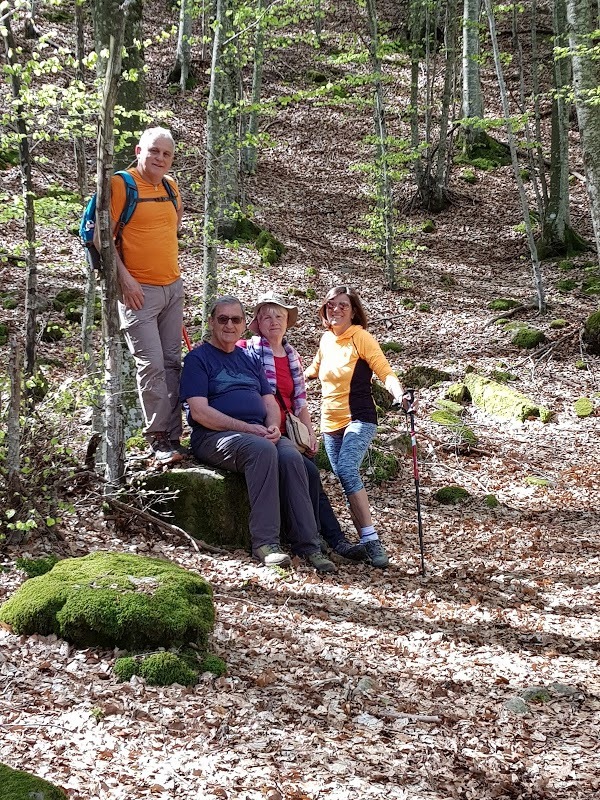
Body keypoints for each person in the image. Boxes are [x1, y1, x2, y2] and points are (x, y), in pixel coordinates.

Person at [179, 295, 336, 573]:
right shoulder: (198, 359)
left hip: (257, 432)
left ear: (243, 325)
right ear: (212, 322)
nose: (229, 325)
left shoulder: (249, 359)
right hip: (214, 436)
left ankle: (308, 544)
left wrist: (273, 426)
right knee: (261, 450)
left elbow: (268, 402)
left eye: (236, 319)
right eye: (223, 319)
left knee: (290, 455)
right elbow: (200, 412)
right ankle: (265, 542)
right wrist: (247, 428)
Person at [238, 291, 368, 562]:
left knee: (310, 472)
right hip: (263, 428)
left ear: (287, 322)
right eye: (266, 317)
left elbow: (300, 401)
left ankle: (333, 539)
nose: (273, 321)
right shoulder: (248, 349)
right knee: (307, 472)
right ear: (257, 323)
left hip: (290, 430)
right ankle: (329, 540)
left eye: (279, 316)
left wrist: (309, 434)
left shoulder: (291, 355)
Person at [305, 286, 406, 569]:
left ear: (353, 311)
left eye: (343, 306)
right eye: (331, 305)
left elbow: (384, 371)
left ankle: (372, 541)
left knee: (348, 470)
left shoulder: (361, 337)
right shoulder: (326, 340)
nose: (336, 310)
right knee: (343, 476)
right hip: (329, 423)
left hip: (359, 418)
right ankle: (359, 538)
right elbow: (313, 370)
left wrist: (399, 394)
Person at [111, 126, 185, 465]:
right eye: (154, 151)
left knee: (172, 363)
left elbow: (173, 228)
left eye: (166, 154)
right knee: (152, 364)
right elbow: (100, 238)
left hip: (173, 289)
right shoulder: (119, 185)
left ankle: (173, 437)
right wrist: (125, 280)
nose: (159, 158)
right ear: (139, 150)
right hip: (138, 292)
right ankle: (156, 438)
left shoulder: (171, 188)